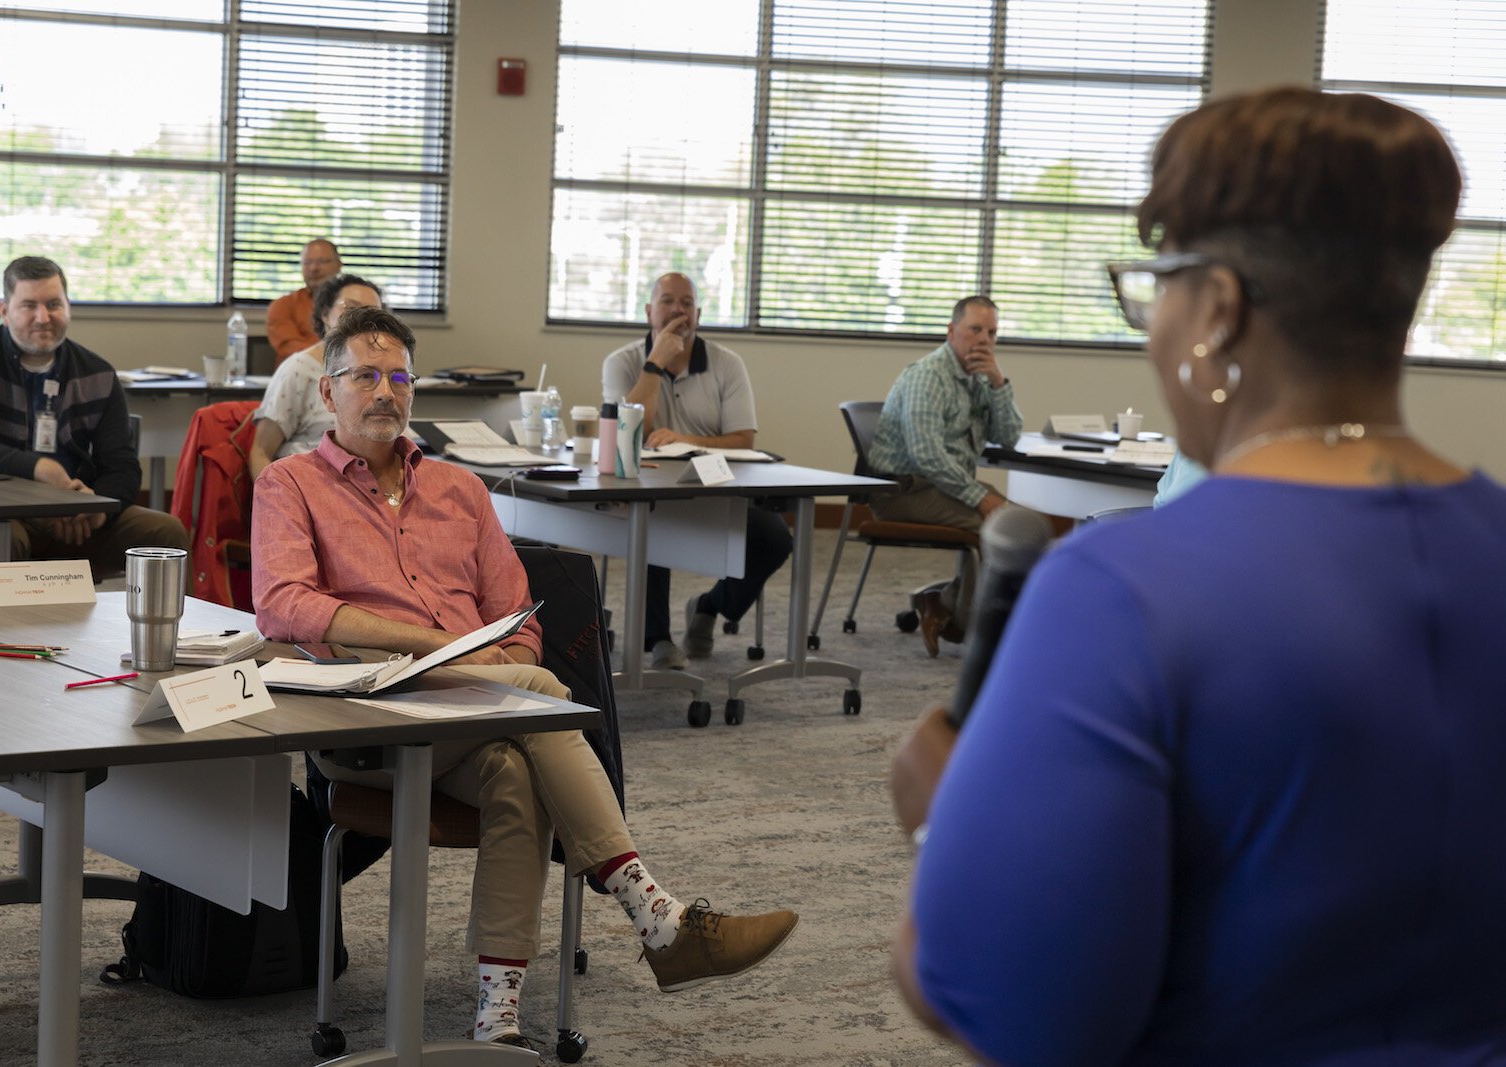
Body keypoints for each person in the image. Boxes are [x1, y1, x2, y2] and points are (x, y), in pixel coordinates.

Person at [890, 87, 1506, 1066]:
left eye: (1156, 285)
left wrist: (943, 824)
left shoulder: (1118, 591)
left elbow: (1022, 1015)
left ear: (1215, 308)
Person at [251, 305, 798, 1051]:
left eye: (401, 376)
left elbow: (520, 619)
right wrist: (441, 648)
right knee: (539, 692)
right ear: (328, 393)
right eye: (367, 376)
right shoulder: (289, 484)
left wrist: (483, 664)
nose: (386, 391)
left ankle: (496, 1019)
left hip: (472, 721)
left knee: (514, 769)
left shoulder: (459, 490)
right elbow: (284, 603)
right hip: (366, 719)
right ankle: (655, 913)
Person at [0, 256, 188, 568]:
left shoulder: (97, 374)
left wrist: (95, 505)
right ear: (5, 312)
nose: (43, 317)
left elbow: (123, 467)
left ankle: (167, 618)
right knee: (4, 541)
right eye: (29, 305)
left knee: (165, 533)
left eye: (54, 304)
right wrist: (39, 468)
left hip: (73, 518)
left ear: (68, 308)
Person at [600, 272, 791, 669]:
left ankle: (709, 605)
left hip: (716, 488)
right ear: (649, 311)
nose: (678, 311)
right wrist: (654, 365)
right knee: (649, 521)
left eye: (686, 303)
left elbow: (743, 439)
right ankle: (658, 641)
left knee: (775, 538)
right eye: (668, 301)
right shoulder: (621, 363)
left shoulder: (726, 364)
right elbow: (623, 433)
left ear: (698, 314)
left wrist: (686, 441)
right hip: (646, 491)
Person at [868, 296, 1023, 657]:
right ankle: (979, 631)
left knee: (1017, 525)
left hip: (943, 486)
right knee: (999, 529)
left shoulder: (980, 379)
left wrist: (999, 382)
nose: (984, 340)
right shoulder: (928, 376)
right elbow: (927, 457)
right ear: (952, 331)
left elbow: (1010, 436)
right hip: (904, 490)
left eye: (992, 333)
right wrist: (982, 499)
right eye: (975, 330)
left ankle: (948, 607)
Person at [247, 272, 383, 479]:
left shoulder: (385, 374)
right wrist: (275, 503)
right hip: (308, 490)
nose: (362, 319)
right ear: (325, 314)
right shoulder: (299, 369)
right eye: (351, 308)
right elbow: (260, 453)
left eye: (372, 314)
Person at [266, 238, 342, 362]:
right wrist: (340, 356)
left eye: (322, 261)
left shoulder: (355, 304)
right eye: (307, 262)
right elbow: (291, 349)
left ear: (338, 265)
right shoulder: (283, 306)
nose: (314, 268)